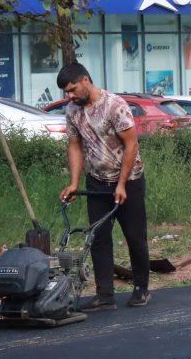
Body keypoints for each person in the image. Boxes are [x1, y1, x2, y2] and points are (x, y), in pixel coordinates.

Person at [57, 62, 151, 310]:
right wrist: (75, 183)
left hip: (128, 180)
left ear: (85, 80)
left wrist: (121, 184)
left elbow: (132, 145)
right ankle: (105, 294)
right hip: (97, 181)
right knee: (98, 237)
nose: (70, 95)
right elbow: (75, 146)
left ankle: (141, 287)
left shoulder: (114, 105)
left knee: (135, 236)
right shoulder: (72, 111)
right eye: (66, 92)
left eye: (73, 89)